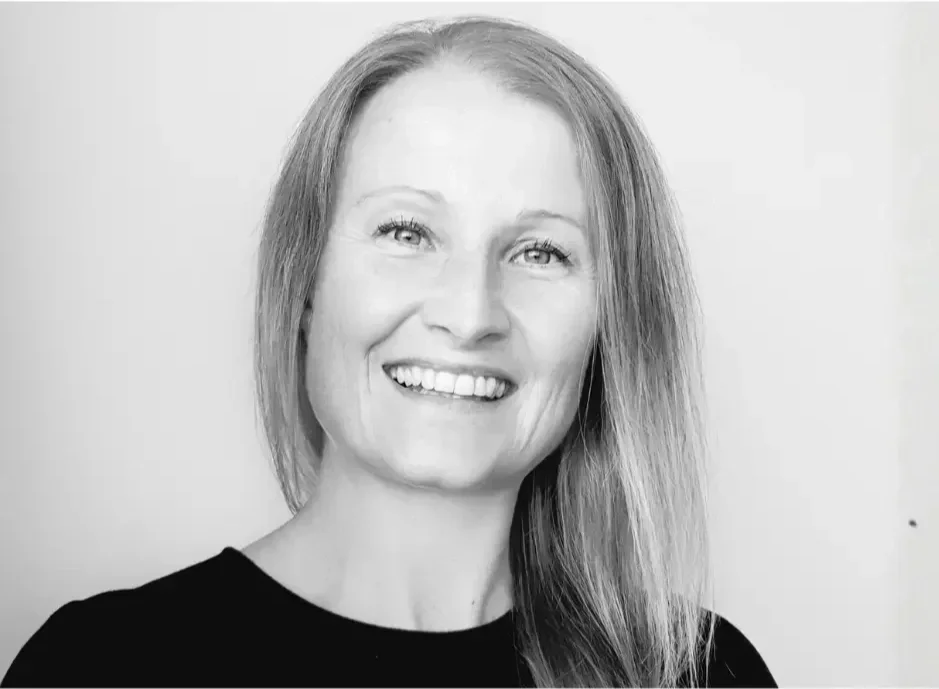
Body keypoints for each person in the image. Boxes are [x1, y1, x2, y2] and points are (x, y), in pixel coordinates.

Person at [2, 14, 777, 688]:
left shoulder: (703, 675)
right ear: (304, 284)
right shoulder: (100, 666)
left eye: (540, 251)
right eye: (406, 233)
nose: (470, 313)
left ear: (610, 322)